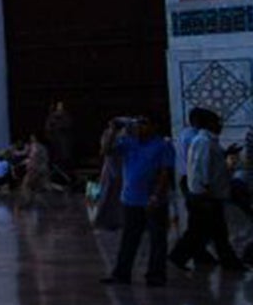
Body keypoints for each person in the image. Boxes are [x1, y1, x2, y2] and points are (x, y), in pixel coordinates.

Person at [102, 115, 176, 286]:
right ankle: (122, 273)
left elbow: (165, 173)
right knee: (129, 237)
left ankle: (155, 275)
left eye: (144, 123)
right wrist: (113, 130)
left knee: (157, 238)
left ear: (154, 126)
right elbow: (106, 151)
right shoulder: (128, 142)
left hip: (152, 199)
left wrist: (156, 195)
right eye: (138, 123)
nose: (140, 127)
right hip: (131, 198)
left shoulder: (162, 145)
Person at [170, 107, 242, 273]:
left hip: (209, 195)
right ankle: (178, 256)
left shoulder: (208, 141)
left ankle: (228, 261)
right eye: (216, 122)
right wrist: (204, 193)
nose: (219, 125)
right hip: (206, 197)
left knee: (213, 231)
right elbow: (199, 169)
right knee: (201, 231)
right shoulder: (202, 141)